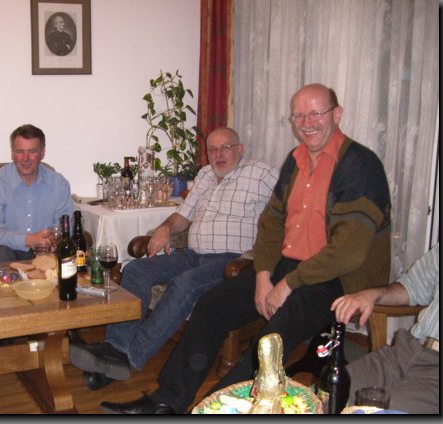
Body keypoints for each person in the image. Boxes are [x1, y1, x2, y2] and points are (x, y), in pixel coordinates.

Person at [99, 83, 392, 414]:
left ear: (337, 114)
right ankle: (166, 401)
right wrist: (264, 276)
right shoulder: (295, 161)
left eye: (316, 113)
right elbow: (271, 225)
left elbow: (348, 252)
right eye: (299, 116)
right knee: (211, 306)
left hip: (340, 279)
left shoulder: (359, 165)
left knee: (269, 342)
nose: (306, 123)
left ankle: (221, 410)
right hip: (290, 266)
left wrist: (287, 284)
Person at [69, 127, 279, 390]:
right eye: (212, 149)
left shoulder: (260, 173)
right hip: (193, 254)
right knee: (136, 270)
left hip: (231, 260)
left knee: (184, 284)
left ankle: (127, 357)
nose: (218, 154)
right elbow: (183, 216)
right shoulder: (205, 175)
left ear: (240, 149)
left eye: (225, 147)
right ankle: (115, 348)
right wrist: (166, 228)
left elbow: (288, 210)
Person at [332, 243, 439, 414]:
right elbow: (413, 286)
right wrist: (373, 294)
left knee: (385, 412)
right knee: (330, 393)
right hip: (408, 350)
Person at [0, 124, 74, 262]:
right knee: (0, 252)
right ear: (12, 153)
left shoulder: (58, 183)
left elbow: (67, 224)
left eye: (32, 151)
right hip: (8, 251)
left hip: (47, 250)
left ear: (42, 153)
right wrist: (28, 240)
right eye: (20, 151)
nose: (25, 158)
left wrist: (53, 238)